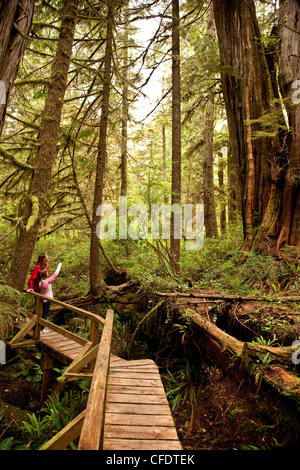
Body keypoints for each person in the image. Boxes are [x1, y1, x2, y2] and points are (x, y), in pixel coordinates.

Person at [37, 262, 62, 334]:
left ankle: (39, 328)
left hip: (42, 300)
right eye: (47, 272)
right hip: (47, 300)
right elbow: (55, 274)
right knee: (45, 314)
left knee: (41, 314)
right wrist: (59, 265)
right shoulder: (48, 281)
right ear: (45, 275)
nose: (48, 273)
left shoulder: (40, 282)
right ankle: (42, 329)